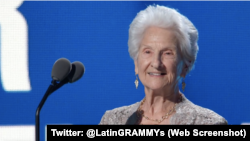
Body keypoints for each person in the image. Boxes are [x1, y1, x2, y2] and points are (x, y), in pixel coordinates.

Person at [99, 5, 227, 125]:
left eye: (167, 53)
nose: (156, 63)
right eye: (148, 51)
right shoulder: (112, 120)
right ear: (136, 63)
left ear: (185, 66)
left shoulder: (209, 123)